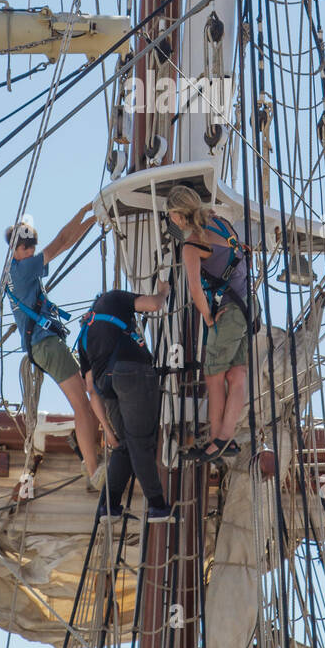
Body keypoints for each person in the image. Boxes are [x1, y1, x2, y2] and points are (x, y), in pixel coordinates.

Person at [5, 206, 108, 491]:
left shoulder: (14, 270)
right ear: (18, 249)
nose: (31, 253)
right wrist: (91, 217)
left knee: (87, 399)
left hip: (42, 347)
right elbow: (63, 241)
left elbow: (62, 240)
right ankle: (93, 470)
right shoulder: (24, 269)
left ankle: (93, 457)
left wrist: (89, 214)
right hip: (46, 344)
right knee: (84, 407)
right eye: (27, 248)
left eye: (32, 248)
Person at [167, 185, 257, 462]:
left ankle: (216, 442)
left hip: (229, 313)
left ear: (178, 216)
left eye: (171, 215)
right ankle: (225, 438)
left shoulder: (193, 244)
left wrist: (207, 317)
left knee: (215, 376)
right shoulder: (222, 222)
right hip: (250, 306)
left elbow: (195, 289)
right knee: (237, 374)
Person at [77, 280, 173, 521]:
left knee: (125, 446)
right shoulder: (114, 299)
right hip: (132, 374)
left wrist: (108, 430)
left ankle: (109, 507)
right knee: (141, 442)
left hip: (107, 389)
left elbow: (91, 389)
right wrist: (163, 292)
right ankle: (158, 506)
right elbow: (152, 304)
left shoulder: (84, 336)